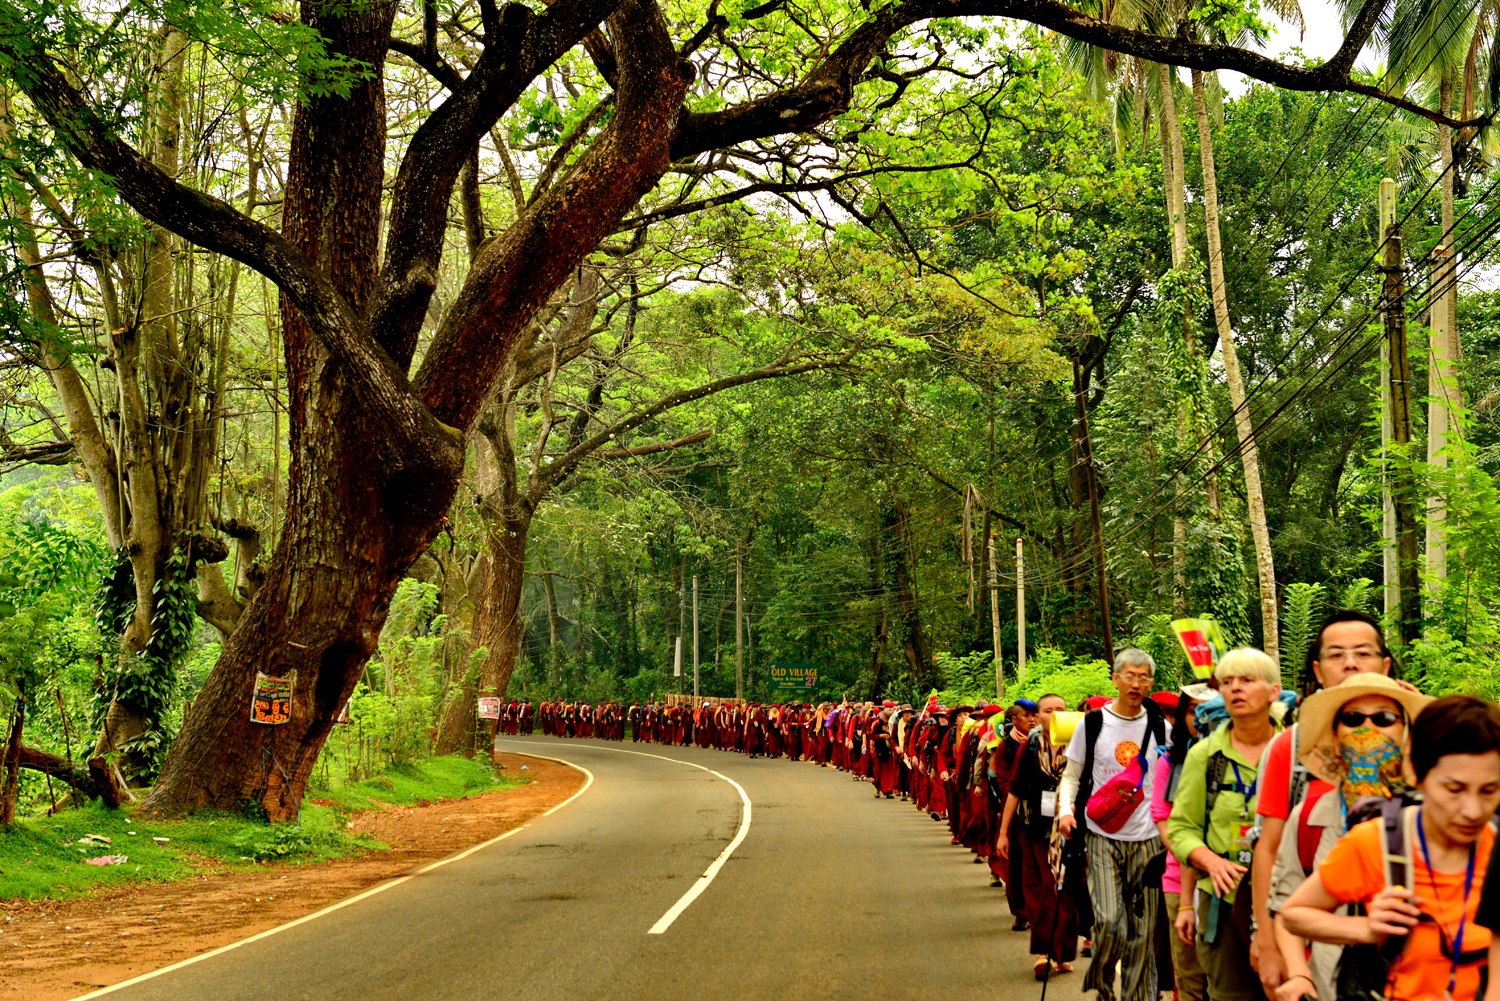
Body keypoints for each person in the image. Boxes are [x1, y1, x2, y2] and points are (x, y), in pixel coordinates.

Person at [1282, 695, 1500, 1001]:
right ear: (1416, 774)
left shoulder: (1497, 847)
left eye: (1489, 790)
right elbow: (1294, 914)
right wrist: (1368, 929)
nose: (1473, 811)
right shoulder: (1377, 844)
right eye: (1454, 789)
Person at [1251, 609, 1402, 997]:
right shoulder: (1289, 750)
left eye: (1363, 653)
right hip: (1326, 967)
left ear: (1385, 663)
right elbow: (1270, 851)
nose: (1350, 663)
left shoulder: (1438, 770)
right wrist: (1269, 944)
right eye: (1336, 654)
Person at [1266, 673, 1430, 1001]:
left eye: (1384, 719)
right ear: (1335, 734)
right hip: (1330, 987)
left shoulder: (1435, 815)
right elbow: (1286, 907)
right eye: (1353, 719)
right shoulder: (1308, 817)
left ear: (1406, 733)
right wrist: (1299, 973)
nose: (1367, 731)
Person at [1168, 649, 1282, 1001]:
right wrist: (1210, 861)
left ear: (1274, 691)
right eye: (1227, 682)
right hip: (1224, 898)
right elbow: (1181, 829)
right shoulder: (1204, 755)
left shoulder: (1297, 750)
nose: (1235, 688)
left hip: (1286, 897)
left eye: (1247, 680)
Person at [1058, 649, 1169, 1001]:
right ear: (1115, 679)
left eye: (1143, 678)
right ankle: (1104, 987)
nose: (1136, 684)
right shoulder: (1092, 724)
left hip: (1149, 839)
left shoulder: (1161, 728)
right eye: (1130, 676)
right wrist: (1065, 811)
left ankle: (1139, 997)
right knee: (1108, 923)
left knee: (1143, 932)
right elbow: (1072, 776)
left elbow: (1171, 780)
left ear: (1151, 683)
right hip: (1101, 836)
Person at [998, 693, 1080, 979]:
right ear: (1038, 716)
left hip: (1070, 830)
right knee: (1043, 889)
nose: (1054, 714)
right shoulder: (1030, 746)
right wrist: (1003, 833)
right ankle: (1043, 953)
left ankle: (1063, 953)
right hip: (1035, 828)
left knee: (1067, 891)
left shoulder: (1080, 745)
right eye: (1047, 710)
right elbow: (1015, 790)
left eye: (1060, 709)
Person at [1153, 683, 1213, 1001]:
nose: (1201, 717)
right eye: (1193, 711)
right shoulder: (1169, 761)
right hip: (1179, 879)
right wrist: (1192, 853)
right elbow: (1163, 819)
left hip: (1229, 882)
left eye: (1210, 709)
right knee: (1189, 977)